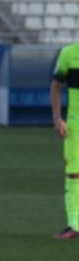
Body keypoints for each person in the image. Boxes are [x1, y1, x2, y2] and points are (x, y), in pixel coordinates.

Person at [52, 41, 79, 239]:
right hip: (75, 125)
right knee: (73, 174)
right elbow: (56, 86)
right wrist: (57, 117)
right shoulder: (68, 54)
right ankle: (74, 224)